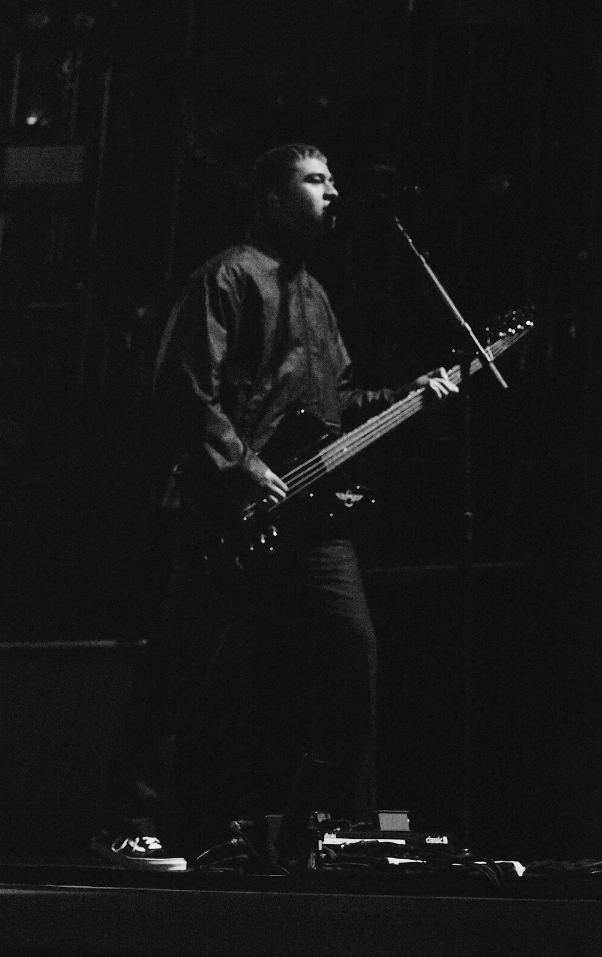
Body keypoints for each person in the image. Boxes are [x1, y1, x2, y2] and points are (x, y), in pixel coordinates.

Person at [93, 143, 458, 867]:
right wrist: (242, 466)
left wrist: (412, 395)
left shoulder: (315, 294)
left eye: (333, 180)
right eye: (315, 180)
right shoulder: (228, 276)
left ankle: (351, 828)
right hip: (229, 511)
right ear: (270, 198)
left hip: (310, 516)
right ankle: (125, 822)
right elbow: (183, 386)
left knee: (351, 649)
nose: (332, 193)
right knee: (184, 662)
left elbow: (337, 406)